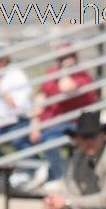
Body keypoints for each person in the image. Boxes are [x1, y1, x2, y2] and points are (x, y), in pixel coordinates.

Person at [29, 43, 99, 184]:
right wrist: (34, 123)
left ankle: (56, 177)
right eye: (61, 58)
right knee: (29, 137)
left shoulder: (82, 76)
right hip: (52, 123)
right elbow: (40, 98)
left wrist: (66, 70)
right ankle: (42, 172)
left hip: (75, 123)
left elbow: (66, 88)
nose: (63, 60)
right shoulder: (52, 73)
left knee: (49, 140)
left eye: (67, 57)